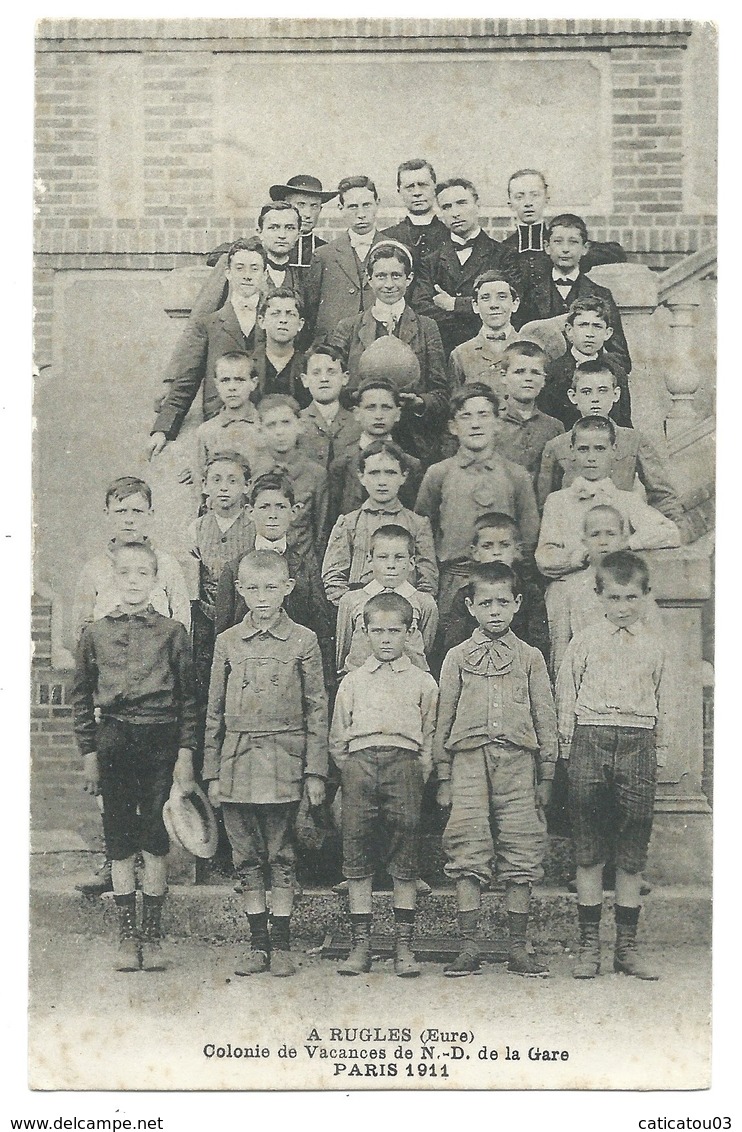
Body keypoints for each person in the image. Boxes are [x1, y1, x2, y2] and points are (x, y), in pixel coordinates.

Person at [72, 541, 197, 971]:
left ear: (155, 580)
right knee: (120, 838)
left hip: (160, 740)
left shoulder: (174, 632)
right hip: (114, 739)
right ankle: (128, 935)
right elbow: (80, 698)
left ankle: (154, 935)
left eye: (142, 574)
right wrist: (89, 753)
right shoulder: (94, 633)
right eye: (125, 573)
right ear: (113, 579)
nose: (133, 582)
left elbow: (189, 701)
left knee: (155, 838)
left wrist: (185, 754)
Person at [203, 550, 328, 977]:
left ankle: (282, 945)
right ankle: (257, 944)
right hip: (237, 763)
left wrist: (314, 771)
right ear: (238, 590)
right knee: (246, 858)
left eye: (271, 587)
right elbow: (213, 712)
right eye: (252, 588)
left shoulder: (304, 640)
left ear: (288, 588)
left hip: (285, 762)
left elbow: (317, 709)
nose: (262, 597)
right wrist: (213, 772)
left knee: (283, 855)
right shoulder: (227, 642)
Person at [434, 562, 557, 977]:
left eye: (503, 602)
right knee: (467, 841)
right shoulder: (456, 658)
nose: (494, 611)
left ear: (518, 605)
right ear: (469, 607)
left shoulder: (531, 658)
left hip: (519, 763)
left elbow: (545, 716)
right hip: (468, 760)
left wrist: (548, 772)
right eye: (485, 603)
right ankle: (468, 946)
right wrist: (444, 773)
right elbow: (443, 716)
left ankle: (516, 948)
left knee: (521, 844)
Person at [556, 550, 667, 980]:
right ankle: (589, 948)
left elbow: (665, 701)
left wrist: (661, 752)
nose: (622, 608)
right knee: (588, 847)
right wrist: (567, 749)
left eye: (631, 598)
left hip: (638, 741)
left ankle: (626, 947)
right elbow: (567, 693)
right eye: (614, 598)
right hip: (591, 738)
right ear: (598, 596)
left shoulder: (655, 646)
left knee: (631, 851)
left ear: (645, 597)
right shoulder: (584, 641)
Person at [329, 592, 439, 977]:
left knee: (404, 854)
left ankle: (402, 947)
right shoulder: (353, 682)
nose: (387, 639)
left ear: (411, 632)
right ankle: (361, 946)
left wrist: (417, 770)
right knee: (357, 853)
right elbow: (338, 737)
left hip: (405, 764)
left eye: (395, 631)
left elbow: (430, 733)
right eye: (378, 631)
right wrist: (353, 769)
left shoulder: (423, 682)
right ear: (365, 631)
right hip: (360, 764)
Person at [414, 383, 541, 621]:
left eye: (483, 415)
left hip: (503, 584)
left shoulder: (516, 475)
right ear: (453, 426)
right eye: (466, 416)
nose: (475, 424)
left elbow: (529, 536)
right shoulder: (438, 473)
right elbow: (422, 533)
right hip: (453, 581)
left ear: (497, 423)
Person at [326, 240, 449, 464]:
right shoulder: (349, 327)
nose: (389, 284)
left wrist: (419, 402)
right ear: (369, 279)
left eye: (396, 275)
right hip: (360, 439)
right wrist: (365, 399)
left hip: (413, 440)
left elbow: (440, 393)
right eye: (381, 276)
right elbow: (336, 387)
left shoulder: (427, 326)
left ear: (409, 279)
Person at [213, 472, 336, 692]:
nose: (272, 515)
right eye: (264, 507)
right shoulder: (234, 569)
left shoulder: (305, 568)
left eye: (280, 507)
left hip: (292, 679)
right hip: (247, 680)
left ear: (294, 512)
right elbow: (222, 632)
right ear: (250, 512)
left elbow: (321, 631)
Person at [149, 237, 268, 455]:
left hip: (262, 426)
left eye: (255, 268)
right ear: (228, 273)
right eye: (240, 268)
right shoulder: (210, 324)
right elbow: (187, 379)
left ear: (264, 274)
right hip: (220, 421)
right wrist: (163, 430)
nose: (247, 275)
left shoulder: (276, 319)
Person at [537, 361, 686, 532]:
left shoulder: (634, 440)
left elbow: (662, 495)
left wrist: (675, 530)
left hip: (623, 535)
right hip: (575, 535)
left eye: (603, 390)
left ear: (616, 395)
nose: (595, 398)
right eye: (586, 392)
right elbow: (546, 504)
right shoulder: (557, 446)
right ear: (573, 397)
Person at [535, 417, 681, 580]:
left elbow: (670, 532)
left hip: (614, 584)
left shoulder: (626, 500)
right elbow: (544, 557)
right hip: (570, 583)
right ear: (572, 450)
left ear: (614, 450)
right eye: (583, 449)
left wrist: (626, 544)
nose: (591, 457)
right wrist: (581, 557)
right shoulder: (558, 501)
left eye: (600, 448)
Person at [546, 503, 662, 680]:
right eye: (595, 534)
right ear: (583, 540)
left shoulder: (636, 585)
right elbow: (560, 650)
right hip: (587, 681)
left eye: (610, 534)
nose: (603, 541)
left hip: (632, 676)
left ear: (623, 538)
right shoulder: (568, 589)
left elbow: (655, 640)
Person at [72, 476, 191, 643]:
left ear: (150, 514)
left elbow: (182, 625)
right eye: (121, 511)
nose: (129, 519)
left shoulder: (168, 565)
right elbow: (82, 630)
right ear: (107, 514)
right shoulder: (94, 569)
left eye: (137, 511)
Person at [502, 169, 626, 325]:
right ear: (510, 203)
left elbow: (615, 253)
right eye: (519, 196)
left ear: (547, 198)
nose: (528, 203)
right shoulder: (503, 251)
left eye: (535, 195)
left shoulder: (561, 241)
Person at [322, 440, 438, 606]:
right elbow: (333, 576)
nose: (382, 481)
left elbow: (428, 578)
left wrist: (411, 608)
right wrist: (355, 607)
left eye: (390, 473)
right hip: (359, 611)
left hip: (405, 610)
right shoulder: (348, 523)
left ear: (403, 476)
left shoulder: (418, 524)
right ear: (361, 476)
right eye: (374, 473)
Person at [413, 178, 517, 358]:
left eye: (461, 203)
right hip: (445, 351)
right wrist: (471, 311)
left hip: (494, 350)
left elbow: (512, 302)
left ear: (478, 205)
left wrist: (453, 304)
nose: (455, 213)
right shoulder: (430, 261)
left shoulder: (504, 255)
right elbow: (422, 307)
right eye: (447, 207)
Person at [516, 215, 631, 377]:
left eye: (573, 242)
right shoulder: (529, 292)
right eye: (558, 241)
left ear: (585, 248)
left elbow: (621, 357)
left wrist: (591, 365)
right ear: (547, 247)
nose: (565, 249)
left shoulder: (600, 294)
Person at [437, 512, 549, 671]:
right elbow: (454, 642)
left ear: (517, 550)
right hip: (475, 667)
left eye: (504, 545)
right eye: (487, 546)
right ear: (474, 552)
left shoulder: (530, 592)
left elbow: (538, 641)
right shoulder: (465, 594)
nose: (497, 552)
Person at [334, 524, 438, 677]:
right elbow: (343, 648)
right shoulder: (351, 600)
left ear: (411, 563)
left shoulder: (424, 602)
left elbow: (427, 647)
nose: (391, 565)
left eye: (399, 557)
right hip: (363, 683)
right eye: (382, 557)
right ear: (370, 560)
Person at [327, 378, 423, 519]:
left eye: (386, 407)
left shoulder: (411, 464)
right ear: (357, 414)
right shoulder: (341, 465)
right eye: (370, 407)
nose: (379, 416)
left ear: (398, 414)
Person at [305, 176, 385, 344]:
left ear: (377, 203)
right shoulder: (323, 255)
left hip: (381, 345)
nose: (361, 214)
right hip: (335, 347)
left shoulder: (394, 249)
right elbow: (311, 310)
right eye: (353, 207)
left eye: (366, 205)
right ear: (341, 208)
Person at [250, 394, 330, 562]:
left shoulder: (316, 474)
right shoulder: (254, 472)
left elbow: (321, 532)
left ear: (299, 425)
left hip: (303, 565)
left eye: (286, 423)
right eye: (271, 425)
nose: (280, 432)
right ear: (261, 430)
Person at [537, 297, 632, 429]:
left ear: (608, 333)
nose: (590, 334)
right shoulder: (552, 372)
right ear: (569, 330)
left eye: (597, 326)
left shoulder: (617, 371)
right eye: (583, 325)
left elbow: (624, 422)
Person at [189, 352, 264, 485]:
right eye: (225, 380)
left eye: (239, 380)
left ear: (253, 383)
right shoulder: (207, 431)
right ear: (217, 384)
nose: (232, 387)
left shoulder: (265, 426)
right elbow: (199, 482)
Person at [495, 341, 564, 484]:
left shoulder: (554, 427)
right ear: (503, 376)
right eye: (519, 371)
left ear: (544, 379)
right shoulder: (491, 421)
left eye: (535, 372)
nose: (528, 378)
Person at [447, 272, 522, 395]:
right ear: (475, 306)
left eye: (502, 297)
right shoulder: (460, 354)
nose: (494, 305)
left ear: (515, 303)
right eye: (485, 298)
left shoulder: (529, 349)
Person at [297, 344, 362, 470]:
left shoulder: (358, 423)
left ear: (345, 378)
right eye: (316, 373)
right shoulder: (297, 422)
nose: (324, 379)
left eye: (331, 372)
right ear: (305, 380)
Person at [250, 288, 310, 407]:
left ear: (300, 324)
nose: (283, 320)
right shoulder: (247, 364)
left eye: (290, 314)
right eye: (275, 314)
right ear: (262, 321)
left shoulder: (308, 365)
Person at [268, 174, 338, 271]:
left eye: (314, 206)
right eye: (301, 205)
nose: (308, 214)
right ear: (287, 206)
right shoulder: (268, 247)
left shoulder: (328, 252)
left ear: (320, 209)